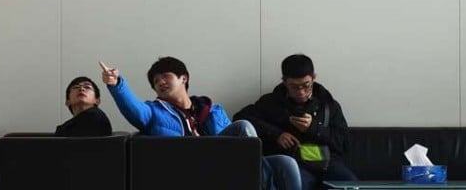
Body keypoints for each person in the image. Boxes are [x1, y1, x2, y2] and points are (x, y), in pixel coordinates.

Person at [101, 56, 301, 190]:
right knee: (243, 127)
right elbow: (133, 109)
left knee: (286, 163)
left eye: (165, 76)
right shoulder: (153, 112)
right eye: (155, 81)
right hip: (190, 167)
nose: (160, 82)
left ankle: (256, 180)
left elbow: (235, 147)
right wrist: (117, 85)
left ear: (183, 78)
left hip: (225, 165)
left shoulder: (212, 109)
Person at [235, 54, 358, 190]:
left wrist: (314, 128)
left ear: (313, 78)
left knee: (350, 183)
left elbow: (344, 143)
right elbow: (241, 118)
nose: (301, 93)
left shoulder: (328, 104)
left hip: (327, 163)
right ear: (284, 81)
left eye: (306, 86)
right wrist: (277, 134)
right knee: (296, 181)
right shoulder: (271, 102)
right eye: (294, 87)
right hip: (293, 162)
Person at [0, 75, 113, 190]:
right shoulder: (72, 124)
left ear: (97, 100)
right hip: (57, 170)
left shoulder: (96, 117)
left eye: (87, 87)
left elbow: (78, 153)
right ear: (67, 101)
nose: (81, 88)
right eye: (76, 87)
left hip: (71, 176)